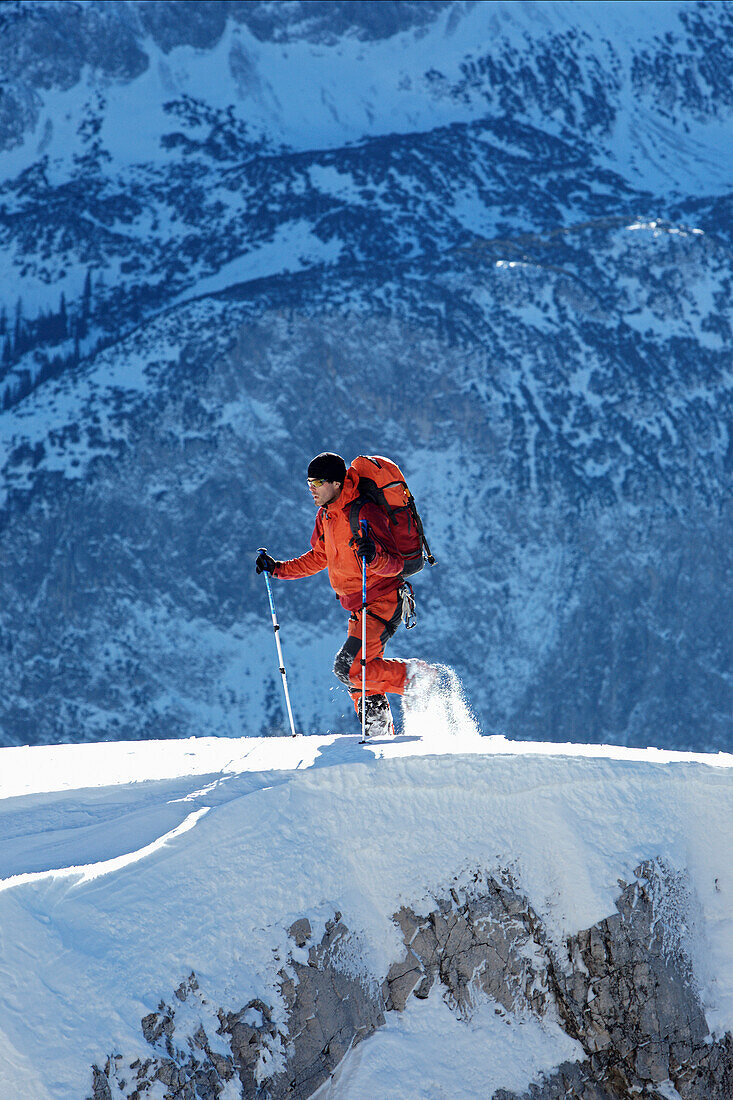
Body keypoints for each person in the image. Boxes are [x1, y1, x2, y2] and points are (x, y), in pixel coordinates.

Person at [256, 451, 436, 738]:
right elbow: (319, 557)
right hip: (359, 605)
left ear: (336, 484)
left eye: (316, 482)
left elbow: (395, 564)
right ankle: (377, 730)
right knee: (354, 671)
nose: (311, 489)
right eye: (309, 483)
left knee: (352, 667)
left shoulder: (365, 513)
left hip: (383, 599)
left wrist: (374, 556)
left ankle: (416, 678)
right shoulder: (326, 515)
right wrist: (277, 569)